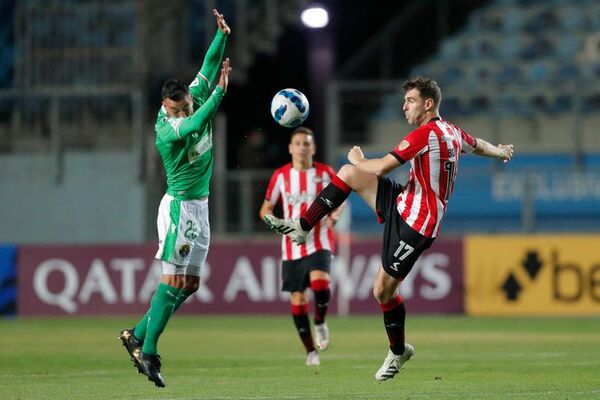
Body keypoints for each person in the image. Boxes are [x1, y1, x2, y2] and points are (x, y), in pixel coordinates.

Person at [266, 77, 514, 380]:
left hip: (417, 225)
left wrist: (360, 158)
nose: (404, 106)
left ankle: (398, 351)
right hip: (404, 201)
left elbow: (382, 166)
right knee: (348, 174)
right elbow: (476, 145)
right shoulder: (452, 131)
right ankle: (304, 226)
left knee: (382, 291)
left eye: (410, 100)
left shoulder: (424, 135)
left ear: (428, 104)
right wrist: (500, 151)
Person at [118, 9, 231, 388]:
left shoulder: (193, 95)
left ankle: (136, 334)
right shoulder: (169, 129)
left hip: (200, 207)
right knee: (171, 280)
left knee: (190, 285)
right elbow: (197, 124)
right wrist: (220, 92)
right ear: (166, 107)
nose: (182, 110)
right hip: (180, 208)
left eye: (184, 104)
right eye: (176, 108)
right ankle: (147, 353)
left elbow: (209, 64)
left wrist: (221, 35)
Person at [259, 126, 343, 366]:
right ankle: (310, 352)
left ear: (313, 148)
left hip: (320, 239)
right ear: (290, 148)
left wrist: (335, 214)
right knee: (297, 300)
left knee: (320, 284)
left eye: (307, 143)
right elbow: (265, 208)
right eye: (298, 143)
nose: (302, 147)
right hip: (292, 245)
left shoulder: (326, 173)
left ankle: (320, 321)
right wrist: (272, 221)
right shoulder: (281, 176)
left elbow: (340, 197)